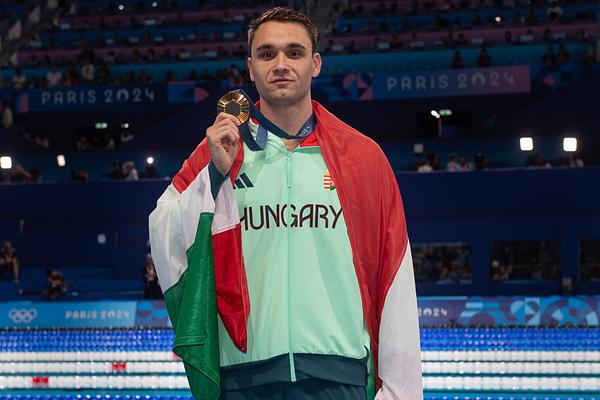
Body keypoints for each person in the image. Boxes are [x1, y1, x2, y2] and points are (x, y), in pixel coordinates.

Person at [149, 7, 422, 400]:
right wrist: (213, 176)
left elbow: (394, 272)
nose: (280, 64)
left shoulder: (362, 157)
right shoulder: (219, 150)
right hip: (244, 378)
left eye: (294, 52)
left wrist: (399, 389)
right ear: (250, 67)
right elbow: (164, 231)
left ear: (315, 64)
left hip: (338, 376)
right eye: (267, 54)